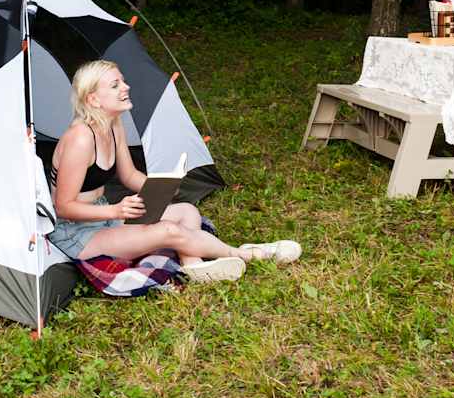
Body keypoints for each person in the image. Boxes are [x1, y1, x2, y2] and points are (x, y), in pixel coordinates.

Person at [45, 60, 300, 283]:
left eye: (122, 81)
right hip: (75, 233)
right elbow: (63, 207)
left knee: (187, 211)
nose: (126, 87)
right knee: (169, 230)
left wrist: (163, 185)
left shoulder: (114, 125)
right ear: (93, 99)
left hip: (102, 215)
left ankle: (192, 264)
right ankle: (248, 253)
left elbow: (129, 176)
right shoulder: (80, 139)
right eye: (115, 85)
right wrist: (115, 210)